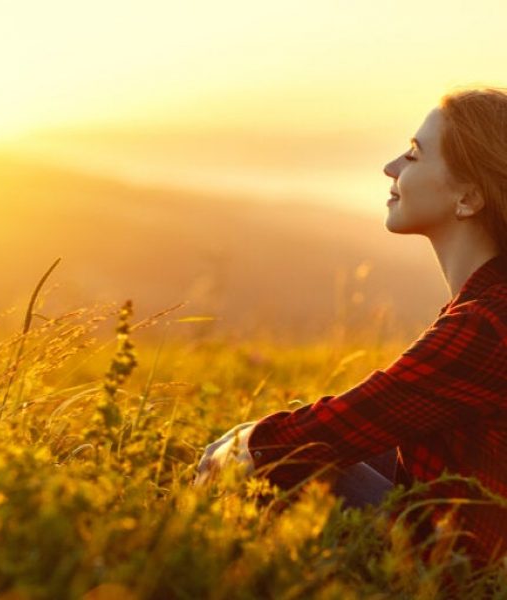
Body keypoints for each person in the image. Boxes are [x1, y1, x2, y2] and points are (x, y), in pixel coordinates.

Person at [196, 87, 507, 566]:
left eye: (414, 155)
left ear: (468, 197)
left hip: (455, 573)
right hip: (465, 534)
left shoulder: (485, 324)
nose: (391, 168)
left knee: (281, 462)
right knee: (295, 440)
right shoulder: (487, 301)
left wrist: (245, 445)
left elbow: (353, 418)